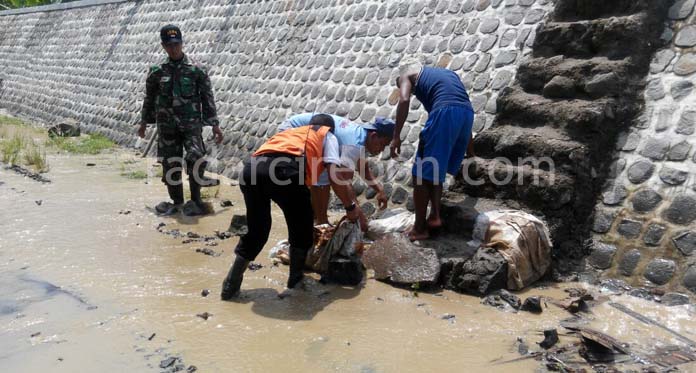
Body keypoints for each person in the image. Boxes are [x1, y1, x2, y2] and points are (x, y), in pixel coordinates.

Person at [221, 114, 368, 300]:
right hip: (285, 172)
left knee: (258, 231)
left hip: (251, 170)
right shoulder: (327, 135)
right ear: (329, 129)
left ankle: (230, 285)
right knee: (302, 228)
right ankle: (296, 281)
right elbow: (334, 174)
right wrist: (350, 207)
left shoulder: (291, 133)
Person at [137, 24, 224, 216]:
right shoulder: (157, 71)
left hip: (191, 126)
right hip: (167, 127)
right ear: (163, 46)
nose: (173, 48)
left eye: (176, 44)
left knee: (196, 157)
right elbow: (149, 99)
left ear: (182, 43)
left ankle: (195, 199)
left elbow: (207, 98)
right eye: (169, 45)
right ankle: (177, 202)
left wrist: (215, 125)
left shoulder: (197, 70)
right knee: (170, 164)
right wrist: (144, 123)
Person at [391, 60, 475, 241]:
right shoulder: (446, 75)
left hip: (444, 113)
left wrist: (396, 136)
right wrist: (472, 152)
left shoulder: (406, 75)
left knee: (420, 174)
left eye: (410, 88)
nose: (413, 92)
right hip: (467, 114)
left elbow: (404, 100)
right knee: (436, 169)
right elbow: (460, 106)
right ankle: (435, 215)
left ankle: (419, 228)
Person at [278, 113, 394, 224]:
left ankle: (316, 217)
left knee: (323, 171)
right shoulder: (354, 144)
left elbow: (363, 169)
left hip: (302, 129)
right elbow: (343, 181)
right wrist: (357, 213)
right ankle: (321, 221)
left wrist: (380, 190)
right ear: (373, 135)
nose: (383, 150)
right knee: (323, 174)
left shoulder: (362, 137)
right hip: (293, 130)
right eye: (383, 144)